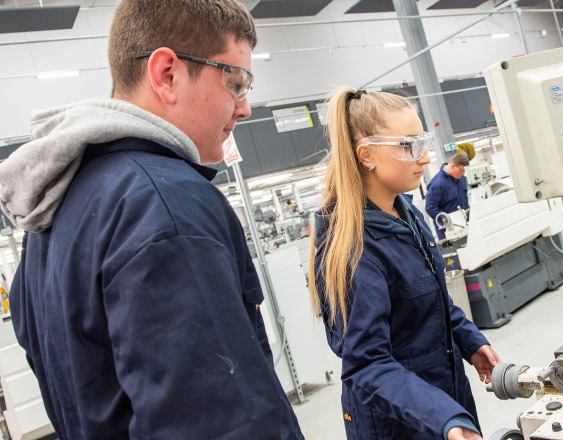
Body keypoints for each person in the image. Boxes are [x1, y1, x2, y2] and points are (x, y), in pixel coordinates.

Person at [0, 1, 304, 438]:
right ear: (167, 74)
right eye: (236, 83)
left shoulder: (52, 216)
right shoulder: (165, 204)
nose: (245, 108)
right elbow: (223, 425)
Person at [309, 87, 500, 440]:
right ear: (366, 154)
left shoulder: (406, 211)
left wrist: (468, 340)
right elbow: (367, 364)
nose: (425, 158)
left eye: (422, 142)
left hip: (443, 399)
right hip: (400, 423)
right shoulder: (353, 247)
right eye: (408, 145)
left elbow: (431, 300)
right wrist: (443, 417)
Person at [425, 153, 471, 240]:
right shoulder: (437, 184)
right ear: (453, 166)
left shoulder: (460, 178)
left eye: (464, 171)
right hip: (448, 232)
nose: (463, 174)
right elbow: (430, 207)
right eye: (461, 170)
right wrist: (447, 221)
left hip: (465, 225)